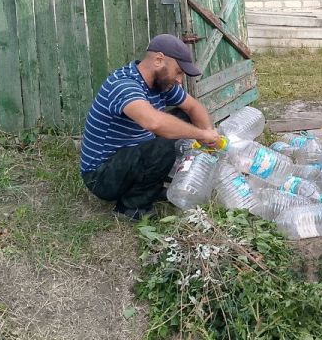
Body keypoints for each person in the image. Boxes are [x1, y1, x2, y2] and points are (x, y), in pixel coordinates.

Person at [80, 34, 221, 219]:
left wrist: (209, 137)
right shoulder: (124, 84)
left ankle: (150, 187)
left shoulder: (160, 84)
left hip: (129, 158)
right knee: (163, 147)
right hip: (101, 175)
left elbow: (194, 107)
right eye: (178, 72)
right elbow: (153, 122)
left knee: (185, 117)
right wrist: (201, 134)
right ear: (158, 60)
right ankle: (131, 208)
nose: (179, 80)